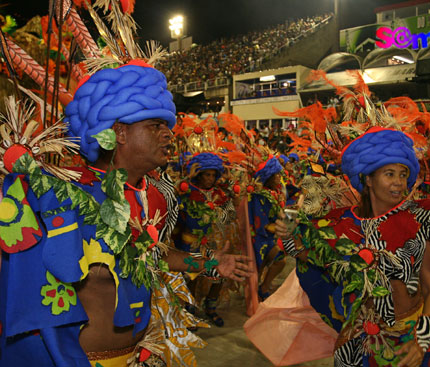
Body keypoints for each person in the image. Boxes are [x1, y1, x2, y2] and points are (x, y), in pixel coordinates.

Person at [0, 62, 251, 366]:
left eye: (167, 126)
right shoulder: (61, 196)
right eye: (154, 126)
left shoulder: (153, 197)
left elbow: (149, 256)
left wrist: (210, 263)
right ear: (118, 133)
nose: (168, 134)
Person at [275, 127, 430, 366]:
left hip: (408, 342)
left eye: (403, 174)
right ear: (368, 179)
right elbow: (313, 258)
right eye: (390, 174)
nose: (399, 182)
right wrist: (288, 237)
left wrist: (423, 337)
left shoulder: (414, 222)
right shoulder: (340, 224)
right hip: (357, 343)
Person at [173, 152, 236, 326]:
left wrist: (228, 181)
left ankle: (211, 308)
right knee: (192, 276)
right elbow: (173, 197)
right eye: (206, 174)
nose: (210, 178)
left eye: (213, 174)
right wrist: (188, 177)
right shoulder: (188, 190)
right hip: (189, 243)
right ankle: (189, 311)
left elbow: (232, 210)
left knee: (219, 276)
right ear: (199, 174)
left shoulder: (218, 193)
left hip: (211, 244)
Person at [248, 156, 287, 301]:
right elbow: (260, 222)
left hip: (271, 237)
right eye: (275, 174)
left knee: (274, 263)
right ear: (268, 177)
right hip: (260, 238)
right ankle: (257, 293)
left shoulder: (276, 193)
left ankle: (263, 288)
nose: (279, 177)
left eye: (279, 173)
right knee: (262, 267)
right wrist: (280, 227)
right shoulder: (260, 196)